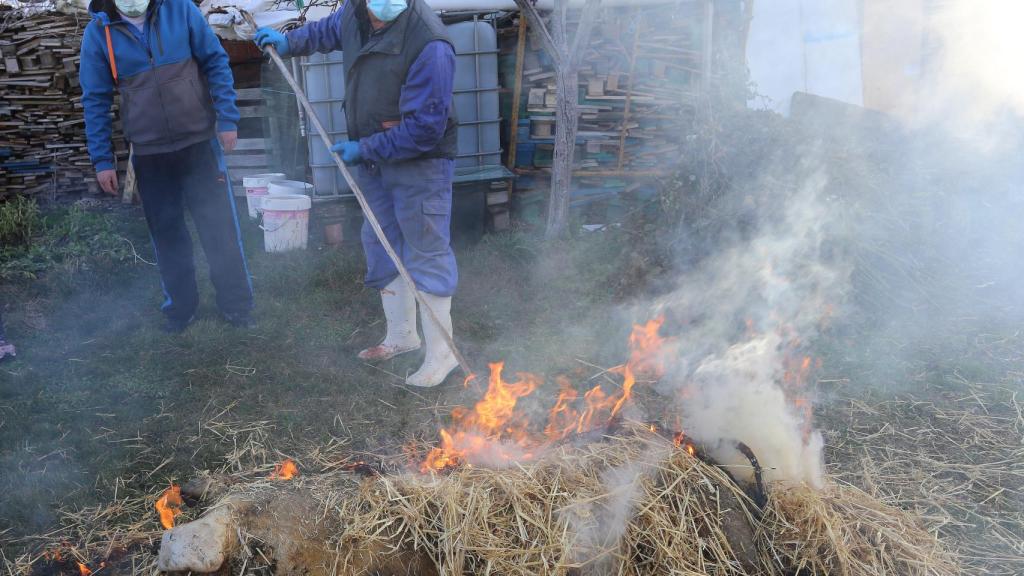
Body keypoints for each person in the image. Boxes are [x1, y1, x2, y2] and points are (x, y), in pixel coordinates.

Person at [256, 0, 459, 387]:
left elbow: (425, 128)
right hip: (373, 155)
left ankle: (442, 354)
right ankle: (402, 336)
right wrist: (288, 42)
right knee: (380, 239)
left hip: (420, 160)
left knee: (425, 247)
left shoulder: (430, 43)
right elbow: (329, 30)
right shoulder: (355, 11)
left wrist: (365, 148)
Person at [80, 0, 254, 333]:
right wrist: (102, 159)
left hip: (199, 143)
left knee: (220, 229)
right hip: (150, 153)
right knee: (168, 237)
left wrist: (228, 118)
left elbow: (216, 61)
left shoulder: (181, 9)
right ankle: (181, 309)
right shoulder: (98, 33)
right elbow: (95, 99)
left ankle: (237, 306)